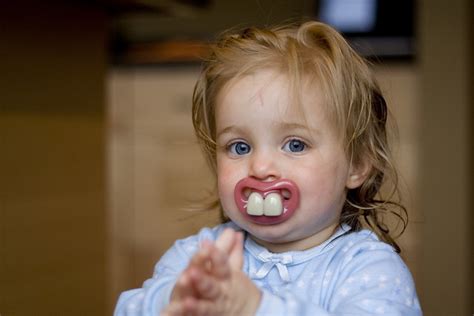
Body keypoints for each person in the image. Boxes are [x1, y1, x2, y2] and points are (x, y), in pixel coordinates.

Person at [114, 21, 422, 316]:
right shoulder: (200, 257)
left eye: (295, 145)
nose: (260, 167)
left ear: (357, 164)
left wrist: (256, 309)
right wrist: (176, 299)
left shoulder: (367, 269)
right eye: (240, 147)